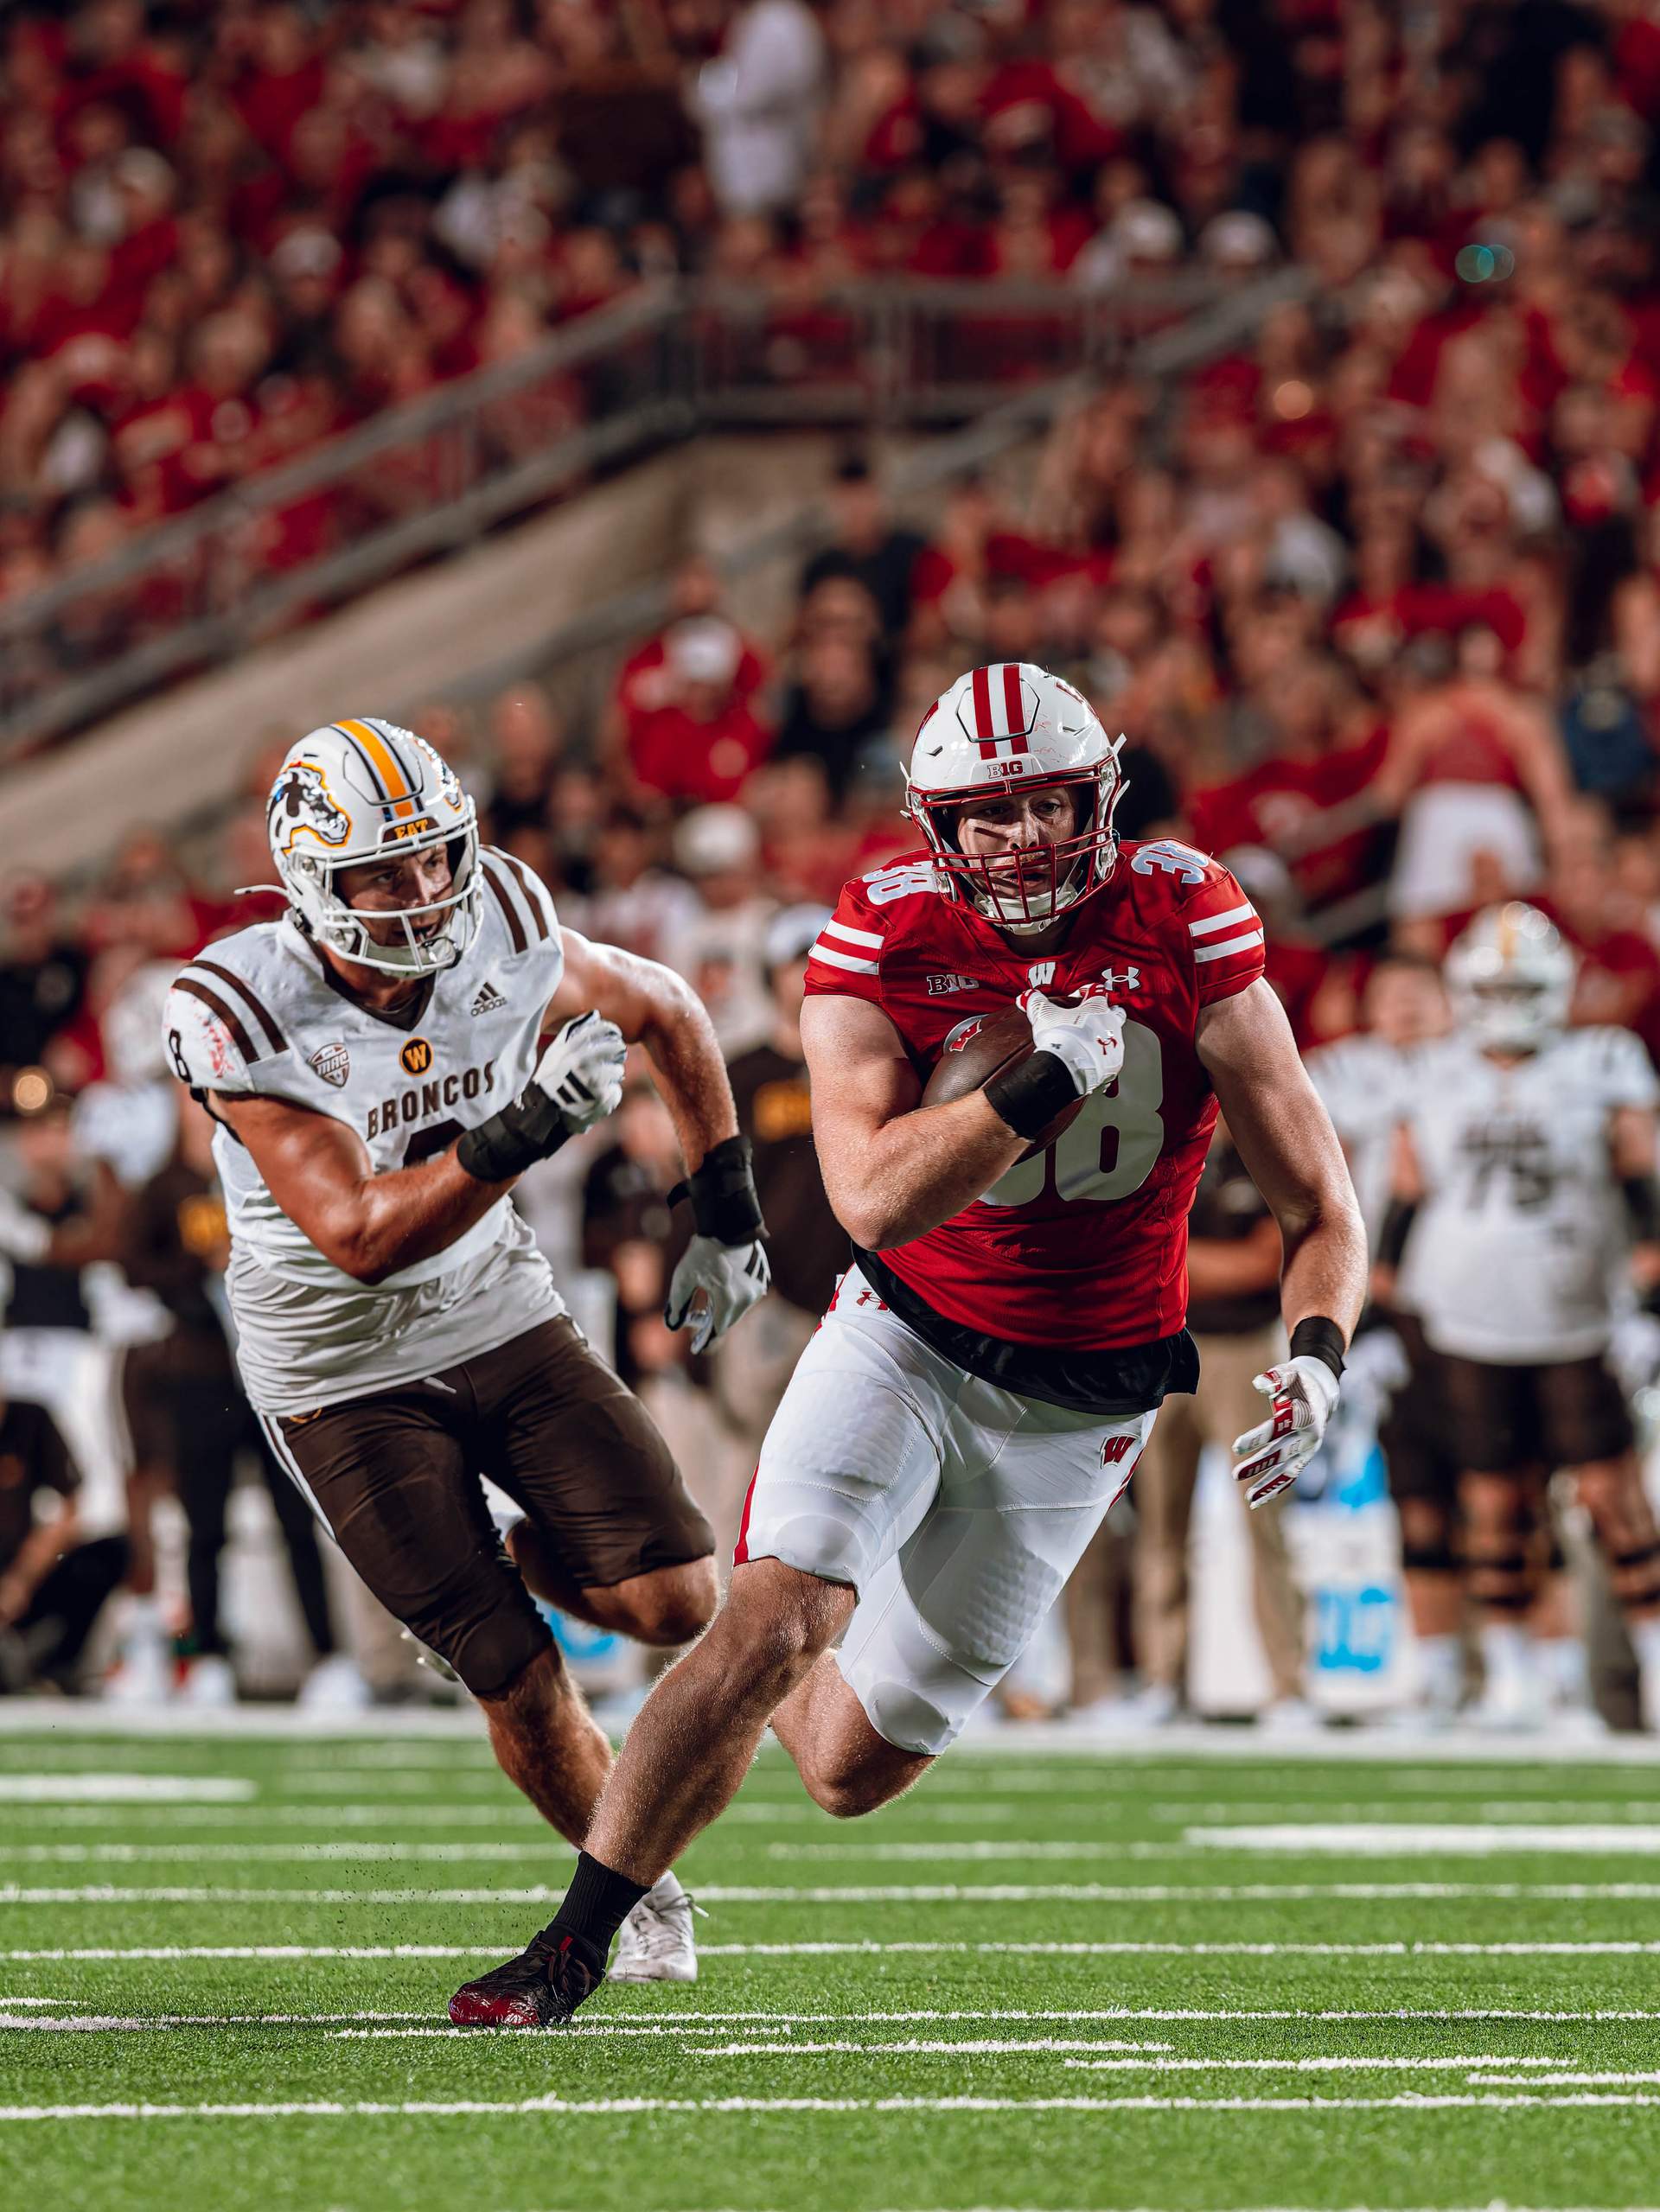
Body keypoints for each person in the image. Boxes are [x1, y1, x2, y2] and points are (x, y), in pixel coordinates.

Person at [449, 660, 1366, 2027]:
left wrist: (1317, 1352)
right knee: (793, 1614)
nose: (1021, 842)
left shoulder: (1188, 911)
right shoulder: (885, 930)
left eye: (1048, 805)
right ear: (935, 825)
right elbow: (871, 1195)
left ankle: (689, 1609)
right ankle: (577, 1942)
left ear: (1099, 793)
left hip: (1088, 1393)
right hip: (909, 1334)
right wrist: (1041, 1077)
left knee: (848, 1768)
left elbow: (1320, 1205)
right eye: (985, 817)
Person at [161, 717, 771, 1982]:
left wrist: (726, 1209)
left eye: (435, 859)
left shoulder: (501, 912)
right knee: (514, 1667)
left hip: (492, 1305)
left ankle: (480, 1554)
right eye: (382, 875)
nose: (424, 894)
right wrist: (527, 1124)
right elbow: (359, 1235)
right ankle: (641, 1888)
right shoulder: (241, 1004)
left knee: (678, 1601)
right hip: (337, 1368)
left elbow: (665, 1007)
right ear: (309, 883)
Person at [1382, 902, 1660, 1731]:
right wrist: (1379, 1319)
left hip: (1576, 1314)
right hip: (1465, 1316)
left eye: (1521, 985)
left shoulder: (1605, 1061)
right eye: (1493, 985)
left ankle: (1646, 1663)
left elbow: (1641, 1185)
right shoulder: (1433, 1071)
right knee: (1494, 1496)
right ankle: (1519, 1676)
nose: (1507, 1002)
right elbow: (1406, 1193)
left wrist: (1648, 1302)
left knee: (1613, 1493)